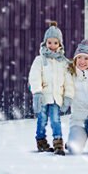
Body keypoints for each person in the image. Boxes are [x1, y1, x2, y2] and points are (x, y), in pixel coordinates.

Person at [28, 25, 71, 154]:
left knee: (55, 120)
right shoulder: (40, 60)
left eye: (55, 42)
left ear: (60, 44)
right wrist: (37, 92)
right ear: (45, 43)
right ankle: (41, 141)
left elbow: (68, 81)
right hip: (43, 96)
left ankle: (58, 143)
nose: (52, 45)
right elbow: (34, 76)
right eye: (49, 42)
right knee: (42, 120)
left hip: (56, 97)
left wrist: (67, 96)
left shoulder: (63, 62)